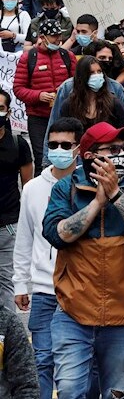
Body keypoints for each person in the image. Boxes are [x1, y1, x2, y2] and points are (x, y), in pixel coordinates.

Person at [42, 122, 124, 399]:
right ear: (89, 156)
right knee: (70, 390)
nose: (119, 155)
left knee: (118, 393)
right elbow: (56, 233)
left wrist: (116, 196)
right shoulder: (66, 189)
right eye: (111, 149)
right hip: (73, 313)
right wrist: (97, 202)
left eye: (122, 148)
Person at [14, 117, 82, 399]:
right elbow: (25, 238)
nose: (59, 150)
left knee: (79, 366)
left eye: (66, 145)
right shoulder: (33, 188)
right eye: (53, 145)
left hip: (82, 289)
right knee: (42, 360)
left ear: (78, 148)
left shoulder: (89, 184)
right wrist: (20, 283)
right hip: (44, 289)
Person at [13, 18, 72, 171]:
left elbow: (77, 84)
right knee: (41, 159)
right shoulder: (28, 58)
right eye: (54, 36)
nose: (58, 39)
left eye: (59, 35)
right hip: (38, 117)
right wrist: (38, 95)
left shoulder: (67, 56)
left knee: (66, 157)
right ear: (42, 37)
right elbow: (18, 88)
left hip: (63, 115)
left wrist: (65, 92)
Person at [0, 89, 32, 312]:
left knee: (5, 281)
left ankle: (7, 330)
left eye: (0, 108)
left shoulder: (18, 144)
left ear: (9, 112)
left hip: (8, 224)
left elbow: (27, 185)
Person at [57, 56, 124, 131]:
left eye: (99, 71)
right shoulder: (69, 105)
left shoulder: (114, 103)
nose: (97, 76)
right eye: (91, 73)